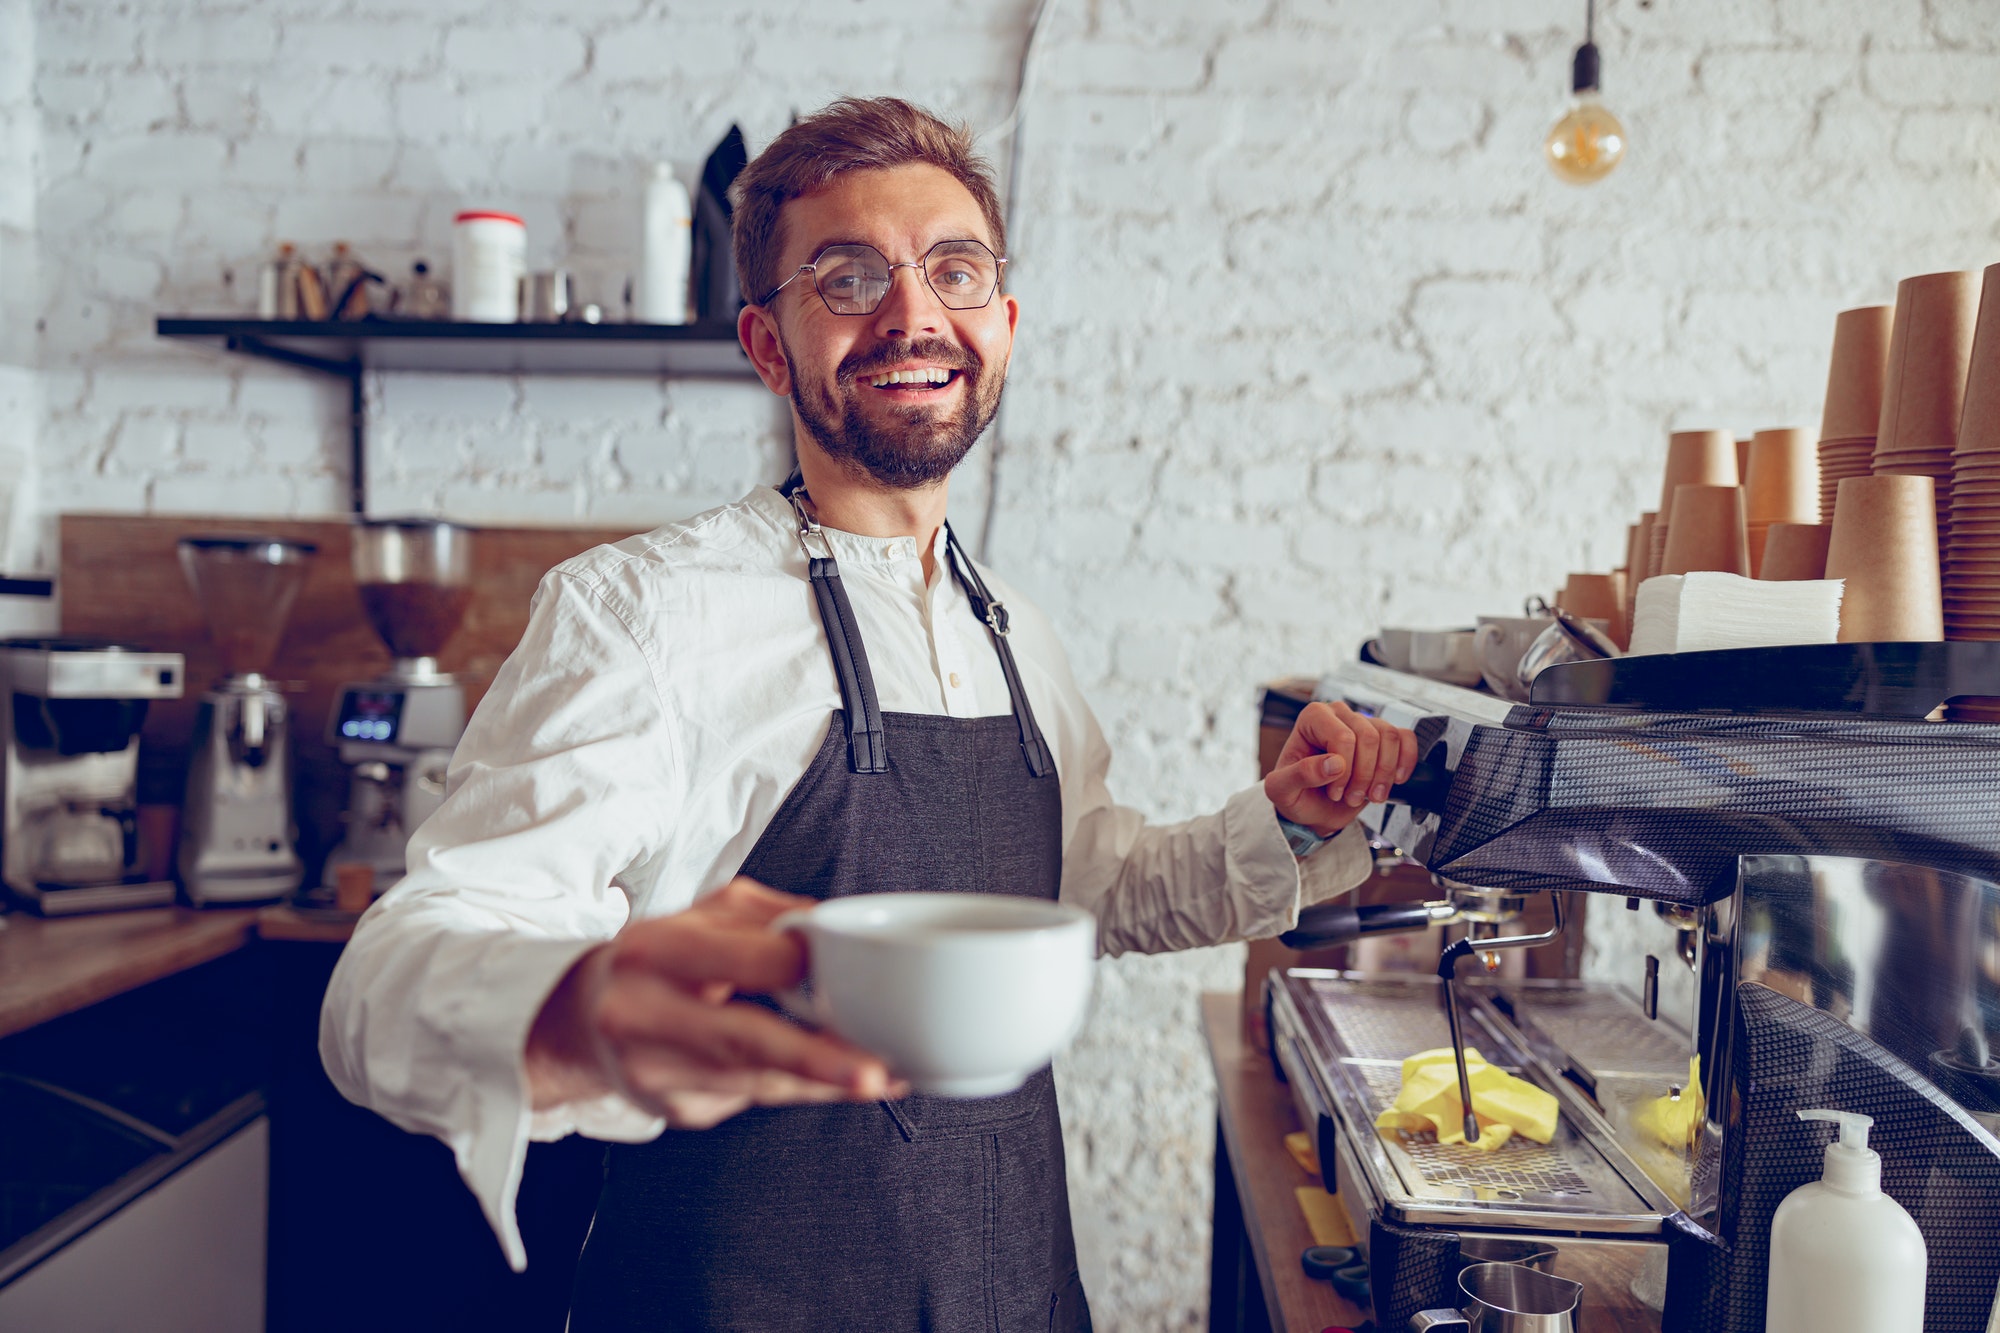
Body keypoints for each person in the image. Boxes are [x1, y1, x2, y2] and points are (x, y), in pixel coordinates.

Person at [321, 96, 1417, 1332]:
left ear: (999, 324)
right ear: (766, 344)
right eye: (847, 277)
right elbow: (390, 976)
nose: (912, 313)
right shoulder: (641, 614)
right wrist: (571, 1012)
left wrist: (1283, 823)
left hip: (1015, 1296)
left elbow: (1087, 891)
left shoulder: (1014, 632)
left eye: (953, 269)